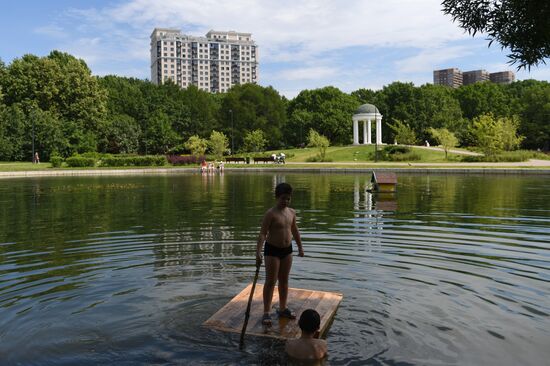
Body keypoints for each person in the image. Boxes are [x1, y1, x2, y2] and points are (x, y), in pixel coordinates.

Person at [256, 182, 304, 326]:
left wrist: (300, 248)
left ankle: (283, 308)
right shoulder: (271, 213)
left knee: (284, 280)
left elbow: (294, 230)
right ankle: (266, 312)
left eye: (288, 199)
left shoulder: (292, 212)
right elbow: (263, 233)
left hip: (287, 250)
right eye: (283, 198)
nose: (286, 201)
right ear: (277, 197)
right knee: (271, 282)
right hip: (272, 250)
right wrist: (258, 252)